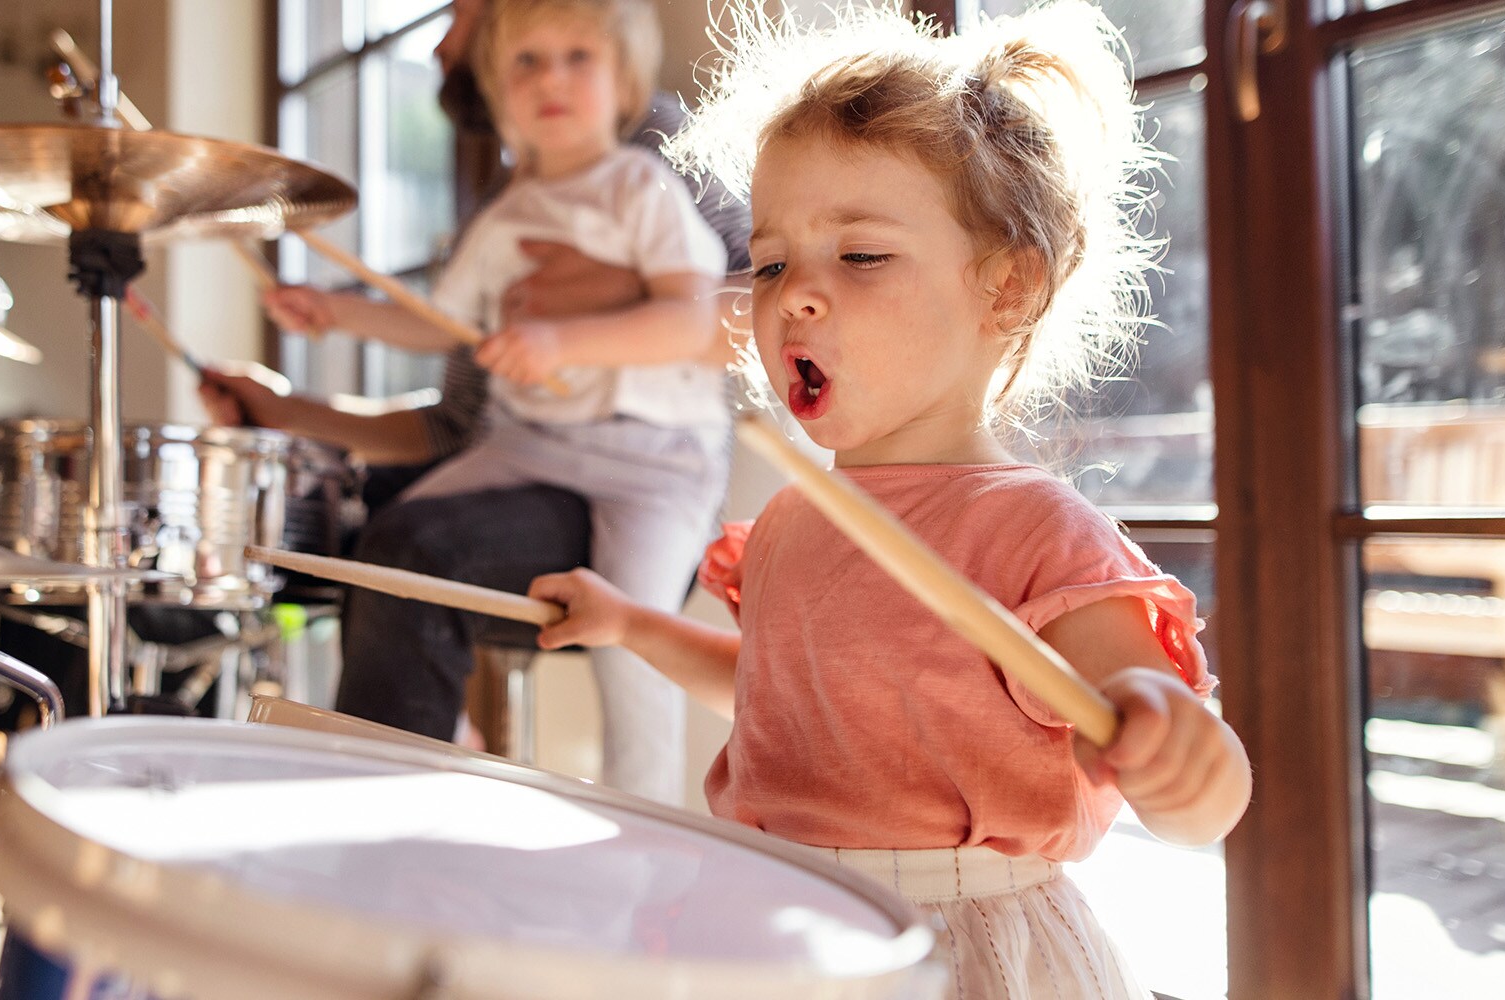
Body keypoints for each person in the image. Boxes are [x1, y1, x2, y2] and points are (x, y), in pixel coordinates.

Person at [524, 2, 1252, 996]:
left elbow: (1161, 738)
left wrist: (1182, 752)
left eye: (859, 256)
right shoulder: (792, 519)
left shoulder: (1037, 529)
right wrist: (630, 626)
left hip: (959, 946)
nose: (795, 295)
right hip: (787, 920)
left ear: (1005, 290)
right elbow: (776, 691)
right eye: (772, 262)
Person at [249, 0, 731, 803]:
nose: (553, 80)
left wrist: (560, 342)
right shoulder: (503, 216)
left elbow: (692, 315)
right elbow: (438, 324)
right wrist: (333, 311)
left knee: (631, 649)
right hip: (529, 443)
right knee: (388, 559)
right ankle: (379, 780)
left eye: (578, 58)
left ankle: (645, 825)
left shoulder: (642, 187)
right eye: (528, 63)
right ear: (498, 92)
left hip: (651, 464)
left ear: (623, 85)